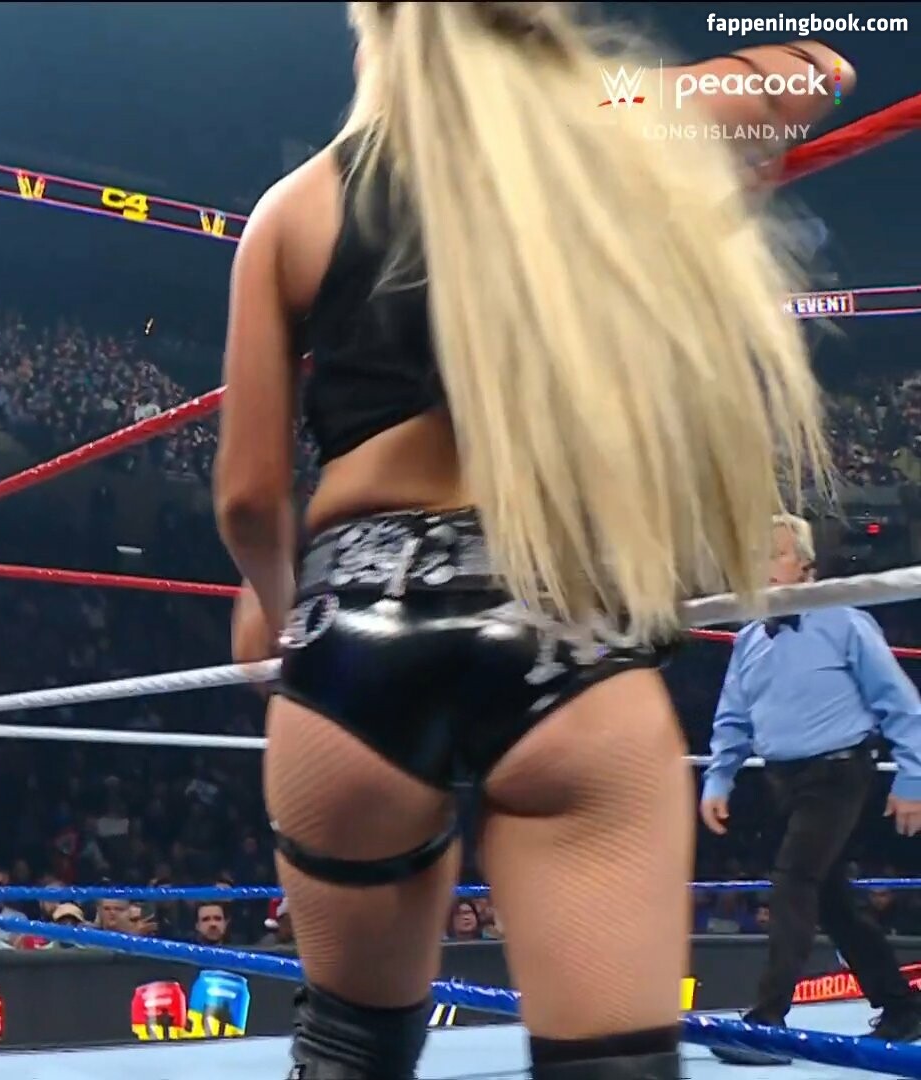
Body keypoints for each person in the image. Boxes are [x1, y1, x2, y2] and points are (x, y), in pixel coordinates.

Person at [214, 4, 851, 1077]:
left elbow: (246, 500)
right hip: (556, 613)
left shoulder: (296, 204)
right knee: (611, 1063)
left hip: (355, 626)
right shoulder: (602, 120)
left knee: (346, 1048)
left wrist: (283, 615)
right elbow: (817, 71)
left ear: (376, 38)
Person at [700, 514, 921, 1065]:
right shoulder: (749, 640)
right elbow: (732, 718)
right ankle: (902, 1006)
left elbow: (900, 703)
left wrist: (913, 778)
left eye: (775, 554)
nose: (763, 566)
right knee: (833, 902)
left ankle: (767, 1022)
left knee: (793, 882)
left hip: (840, 772)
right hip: (782, 780)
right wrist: (719, 777)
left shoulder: (844, 622)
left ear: (806, 566)